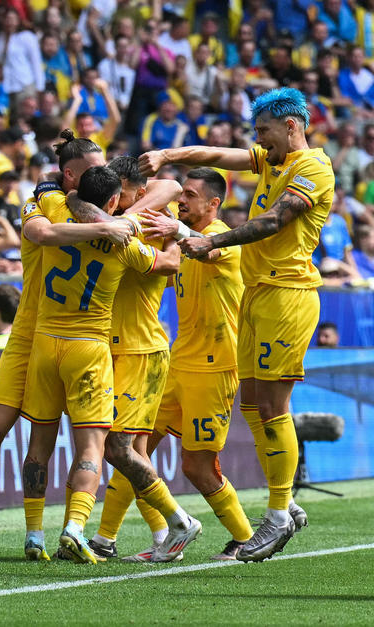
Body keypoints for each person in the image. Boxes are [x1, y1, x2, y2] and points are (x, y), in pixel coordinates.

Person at [140, 87, 332, 562]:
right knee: (253, 402)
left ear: (292, 125)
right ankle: (283, 501)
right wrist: (169, 153)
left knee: (272, 405)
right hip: (259, 294)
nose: (259, 143)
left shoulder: (312, 168)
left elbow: (272, 222)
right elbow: (217, 154)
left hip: (288, 294)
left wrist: (213, 241)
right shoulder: (273, 158)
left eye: (265, 131)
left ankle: (277, 516)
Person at [0, 131, 135, 558]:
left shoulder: (92, 202)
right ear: (70, 174)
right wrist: (108, 225)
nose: (105, 175)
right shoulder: (42, 201)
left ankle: (43, 533)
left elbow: (161, 184)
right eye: (96, 169)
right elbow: (39, 233)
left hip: (65, 336)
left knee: (48, 437)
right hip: (27, 334)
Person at [20, 165, 183, 564]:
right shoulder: (123, 240)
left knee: (38, 443)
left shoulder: (56, 214)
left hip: (44, 344)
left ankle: (34, 535)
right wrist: (176, 234)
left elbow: (47, 213)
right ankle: (76, 528)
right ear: (114, 201)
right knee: (95, 446)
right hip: (89, 347)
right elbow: (167, 265)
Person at [99, 167, 257, 563]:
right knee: (130, 448)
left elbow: (209, 246)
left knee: (197, 466)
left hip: (216, 367)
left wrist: (173, 228)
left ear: (213, 203)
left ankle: (244, 538)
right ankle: (106, 538)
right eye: (180, 193)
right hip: (177, 362)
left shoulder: (225, 237)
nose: (180, 200)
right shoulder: (180, 247)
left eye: (189, 195)